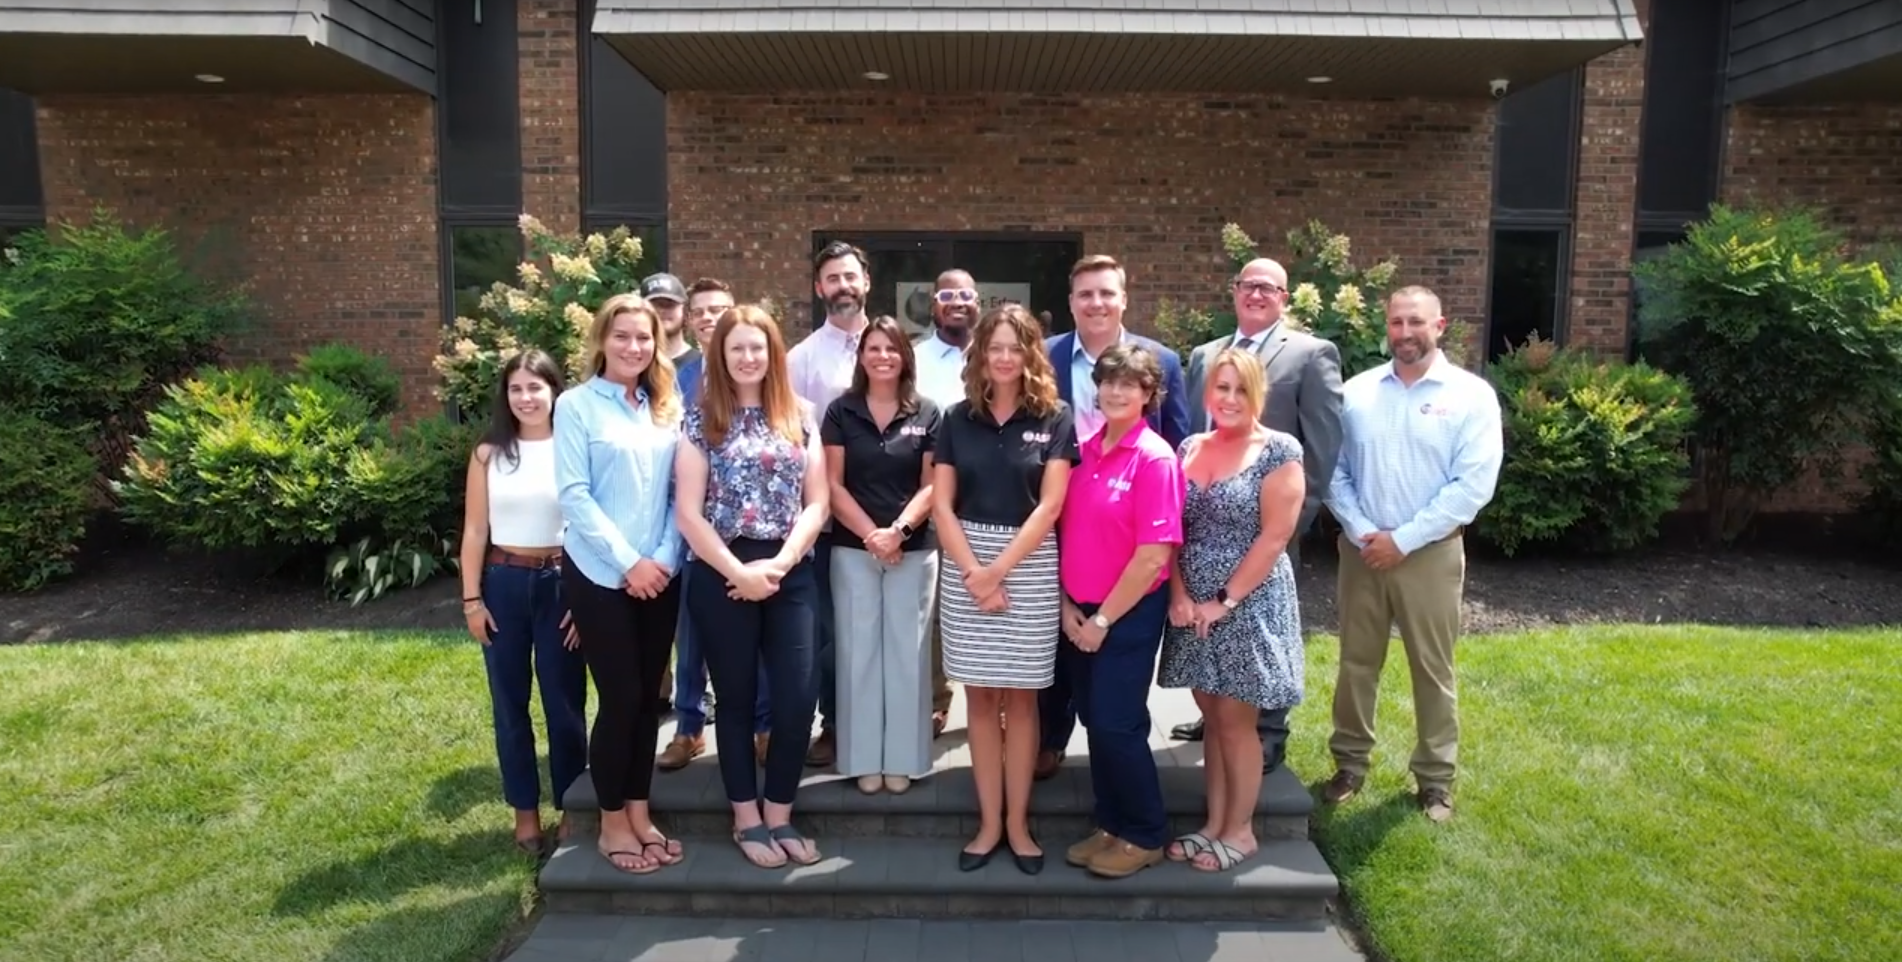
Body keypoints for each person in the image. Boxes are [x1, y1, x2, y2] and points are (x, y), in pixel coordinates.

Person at [1322, 285, 1503, 823]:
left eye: (1416, 323)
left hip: (1430, 555)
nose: (1405, 333)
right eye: (1397, 322)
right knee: (1357, 662)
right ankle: (1349, 764)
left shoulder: (1470, 396)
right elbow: (1334, 471)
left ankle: (1435, 780)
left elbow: (1472, 487)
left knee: (1432, 668)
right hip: (1362, 551)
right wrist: (1362, 530)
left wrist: (1404, 539)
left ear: (1440, 326)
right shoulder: (1357, 393)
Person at [1171, 256, 1344, 772]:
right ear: (1234, 291)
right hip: (1205, 523)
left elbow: (1324, 446)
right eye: (1249, 285)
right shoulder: (1205, 355)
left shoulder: (1312, 354)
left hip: (1267, 518)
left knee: (1260, 643)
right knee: (1212, 637)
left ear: (1284, 298)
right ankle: (1215, 718)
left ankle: (1268, 731)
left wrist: (1290, 523)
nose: (1257, 294)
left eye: (1269, 288)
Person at [675, 304, 831, 868]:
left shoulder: (801, 415)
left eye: (757, 347)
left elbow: (818, 502)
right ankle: (747, 817)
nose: (747, 357)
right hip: (722, 572)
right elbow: (689, 513)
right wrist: (739, 572)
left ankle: (781, 811)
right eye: (736, 347)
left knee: (796, 699)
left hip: (790, 570)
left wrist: (783, 564)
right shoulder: (698, 419)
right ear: (720, 355)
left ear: (773, 354)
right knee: (736, 699)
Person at [933, 303, 1077, 876]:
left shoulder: (1056, 416)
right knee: (980, 699)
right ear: (980, 353)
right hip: (965, 562)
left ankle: (1018, 823)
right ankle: (987, 821)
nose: (1003, 357)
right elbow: (941, 505)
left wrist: (998, 572)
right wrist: (974, 571)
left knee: (1022, 700)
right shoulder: (954, 418)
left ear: (1030, 354)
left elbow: (1051, 505)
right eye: (994, 347)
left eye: (1014, 347)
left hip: (1030, 564)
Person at [1039, 254, 1191, 780]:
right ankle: (1050, 739)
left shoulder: (1162, 362)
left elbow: (1179, 442)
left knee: (1113, 708)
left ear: (1123, 298)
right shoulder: (1047, 355)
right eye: (1085, 294)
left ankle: (1130, 811)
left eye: (1107, 293)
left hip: (1136, 524)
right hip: (1067, 515)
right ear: (1072, 303)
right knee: (1064, 661)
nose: (1096, 303)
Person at [553, 293, 687, 875]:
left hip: (661, 574)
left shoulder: (666, 408)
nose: (634, 346)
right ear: (602, 341)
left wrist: (659, 558)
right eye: (623, 336)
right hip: (600, 575)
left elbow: (678, 493)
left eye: (644, 337)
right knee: (622, 698)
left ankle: (639, 810)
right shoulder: (576, 405)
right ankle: (610, 822)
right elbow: (574, 495)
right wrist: (629, 561)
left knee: (647, 705)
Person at [1160, 347, 1306, 872]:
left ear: (1257, 393)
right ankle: (1213, 823)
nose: (1229, 398)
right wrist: (1179, 595)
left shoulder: (1278, 450)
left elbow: (1274, 537)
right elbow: (1170, 530)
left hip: (1247, 601)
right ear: (1207, 393)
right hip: (1191, 602)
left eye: (1240, 389)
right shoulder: (1189, 448)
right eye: (1221, 388)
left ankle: (1240, 832)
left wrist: (1223, 601)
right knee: (1213, 717)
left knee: (1238, 721)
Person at [1056, 343, 1187, 880]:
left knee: (1117, 724)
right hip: (1079, 612)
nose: (1115, 391)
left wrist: (1103, 621)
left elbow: (1154, 555)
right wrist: (1068, 609)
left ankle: (1145, 832)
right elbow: (1064, 536)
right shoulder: (1084, 451)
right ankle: (1111, 822)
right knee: (1096, 721)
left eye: (1129, 384)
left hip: (1125, 615)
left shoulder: (1154, 459)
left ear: (1148, 395)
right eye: (1109, 381)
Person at [458, 348, 588, 856]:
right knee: (510, 705)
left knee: (565, 703)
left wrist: (584, 599)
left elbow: (587, 527)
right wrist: (472, 600)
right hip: (504, 584)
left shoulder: (574, 448)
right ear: (505, 396)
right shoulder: (489, 454)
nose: (527, 397)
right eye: (516, 388)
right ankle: (525, 815)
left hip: (562, 584)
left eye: (536, 387)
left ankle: (572, 807)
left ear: (555, 391)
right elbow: (473, 530)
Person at [822, 315, 941, 794]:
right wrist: (874, 534)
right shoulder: (840, 412)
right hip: (853, 549)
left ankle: (906, 761)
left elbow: (933, 485)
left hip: (914, 550)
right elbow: (832, 484)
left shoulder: (929, 413)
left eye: (891, 348)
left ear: (904, 357)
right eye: (873, 348)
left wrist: (899, 531)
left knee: (907, 654)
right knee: (859, 653)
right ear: (861, 356)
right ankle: (862, 758)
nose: (882, 356)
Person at [660, 276, 772, 771]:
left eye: (718, 309)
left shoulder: (756, 374)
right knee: (691, 635)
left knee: (759, 634)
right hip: (688, 525)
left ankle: (764, 726)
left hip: (749, 529)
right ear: (690, 318)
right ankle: (688, 728)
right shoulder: (672, 376)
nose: (708, 317)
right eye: (700, 310)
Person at [787, 240, 872, 769]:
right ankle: (836, 725)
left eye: (850, 277)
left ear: (866, 281)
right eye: (832, 279)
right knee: (830, 632)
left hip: (890, 516)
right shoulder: (799, 360)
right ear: (819, 288)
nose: (842, 286)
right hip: (825, 521)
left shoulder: (892, 346)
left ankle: (890, 720)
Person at [911, 268, 980, 736]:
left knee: (991, 598)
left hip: (995, 498)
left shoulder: (1000, 352)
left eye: (966, 295)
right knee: (933, 606)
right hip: (936, 496)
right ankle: (937, 698)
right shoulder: (914, 359)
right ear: (934, 304)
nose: (957, 302)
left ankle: (991, 695)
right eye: (947, 294)